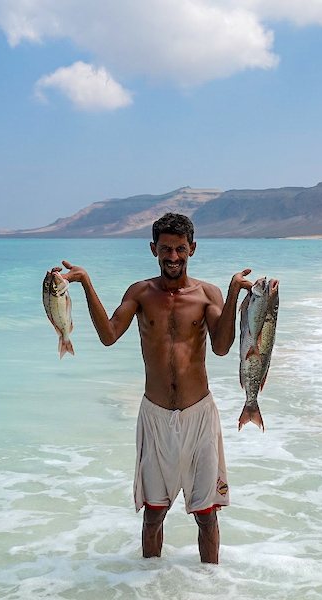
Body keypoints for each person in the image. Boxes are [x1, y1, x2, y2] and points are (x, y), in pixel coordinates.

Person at [52, 212, 252, 564]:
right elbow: (109, 335)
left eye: (179, 249)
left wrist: (234, 290)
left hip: (199, 415)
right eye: (164, 249)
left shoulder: (208, 293)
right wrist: (85, 283)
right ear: (152, 249)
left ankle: (210, 585)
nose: (172, 257)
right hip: (155, 416)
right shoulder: (141, 293)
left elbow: (221, 347)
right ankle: (149, 585)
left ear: (192, 249)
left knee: (207, 516)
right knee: (153, 514)